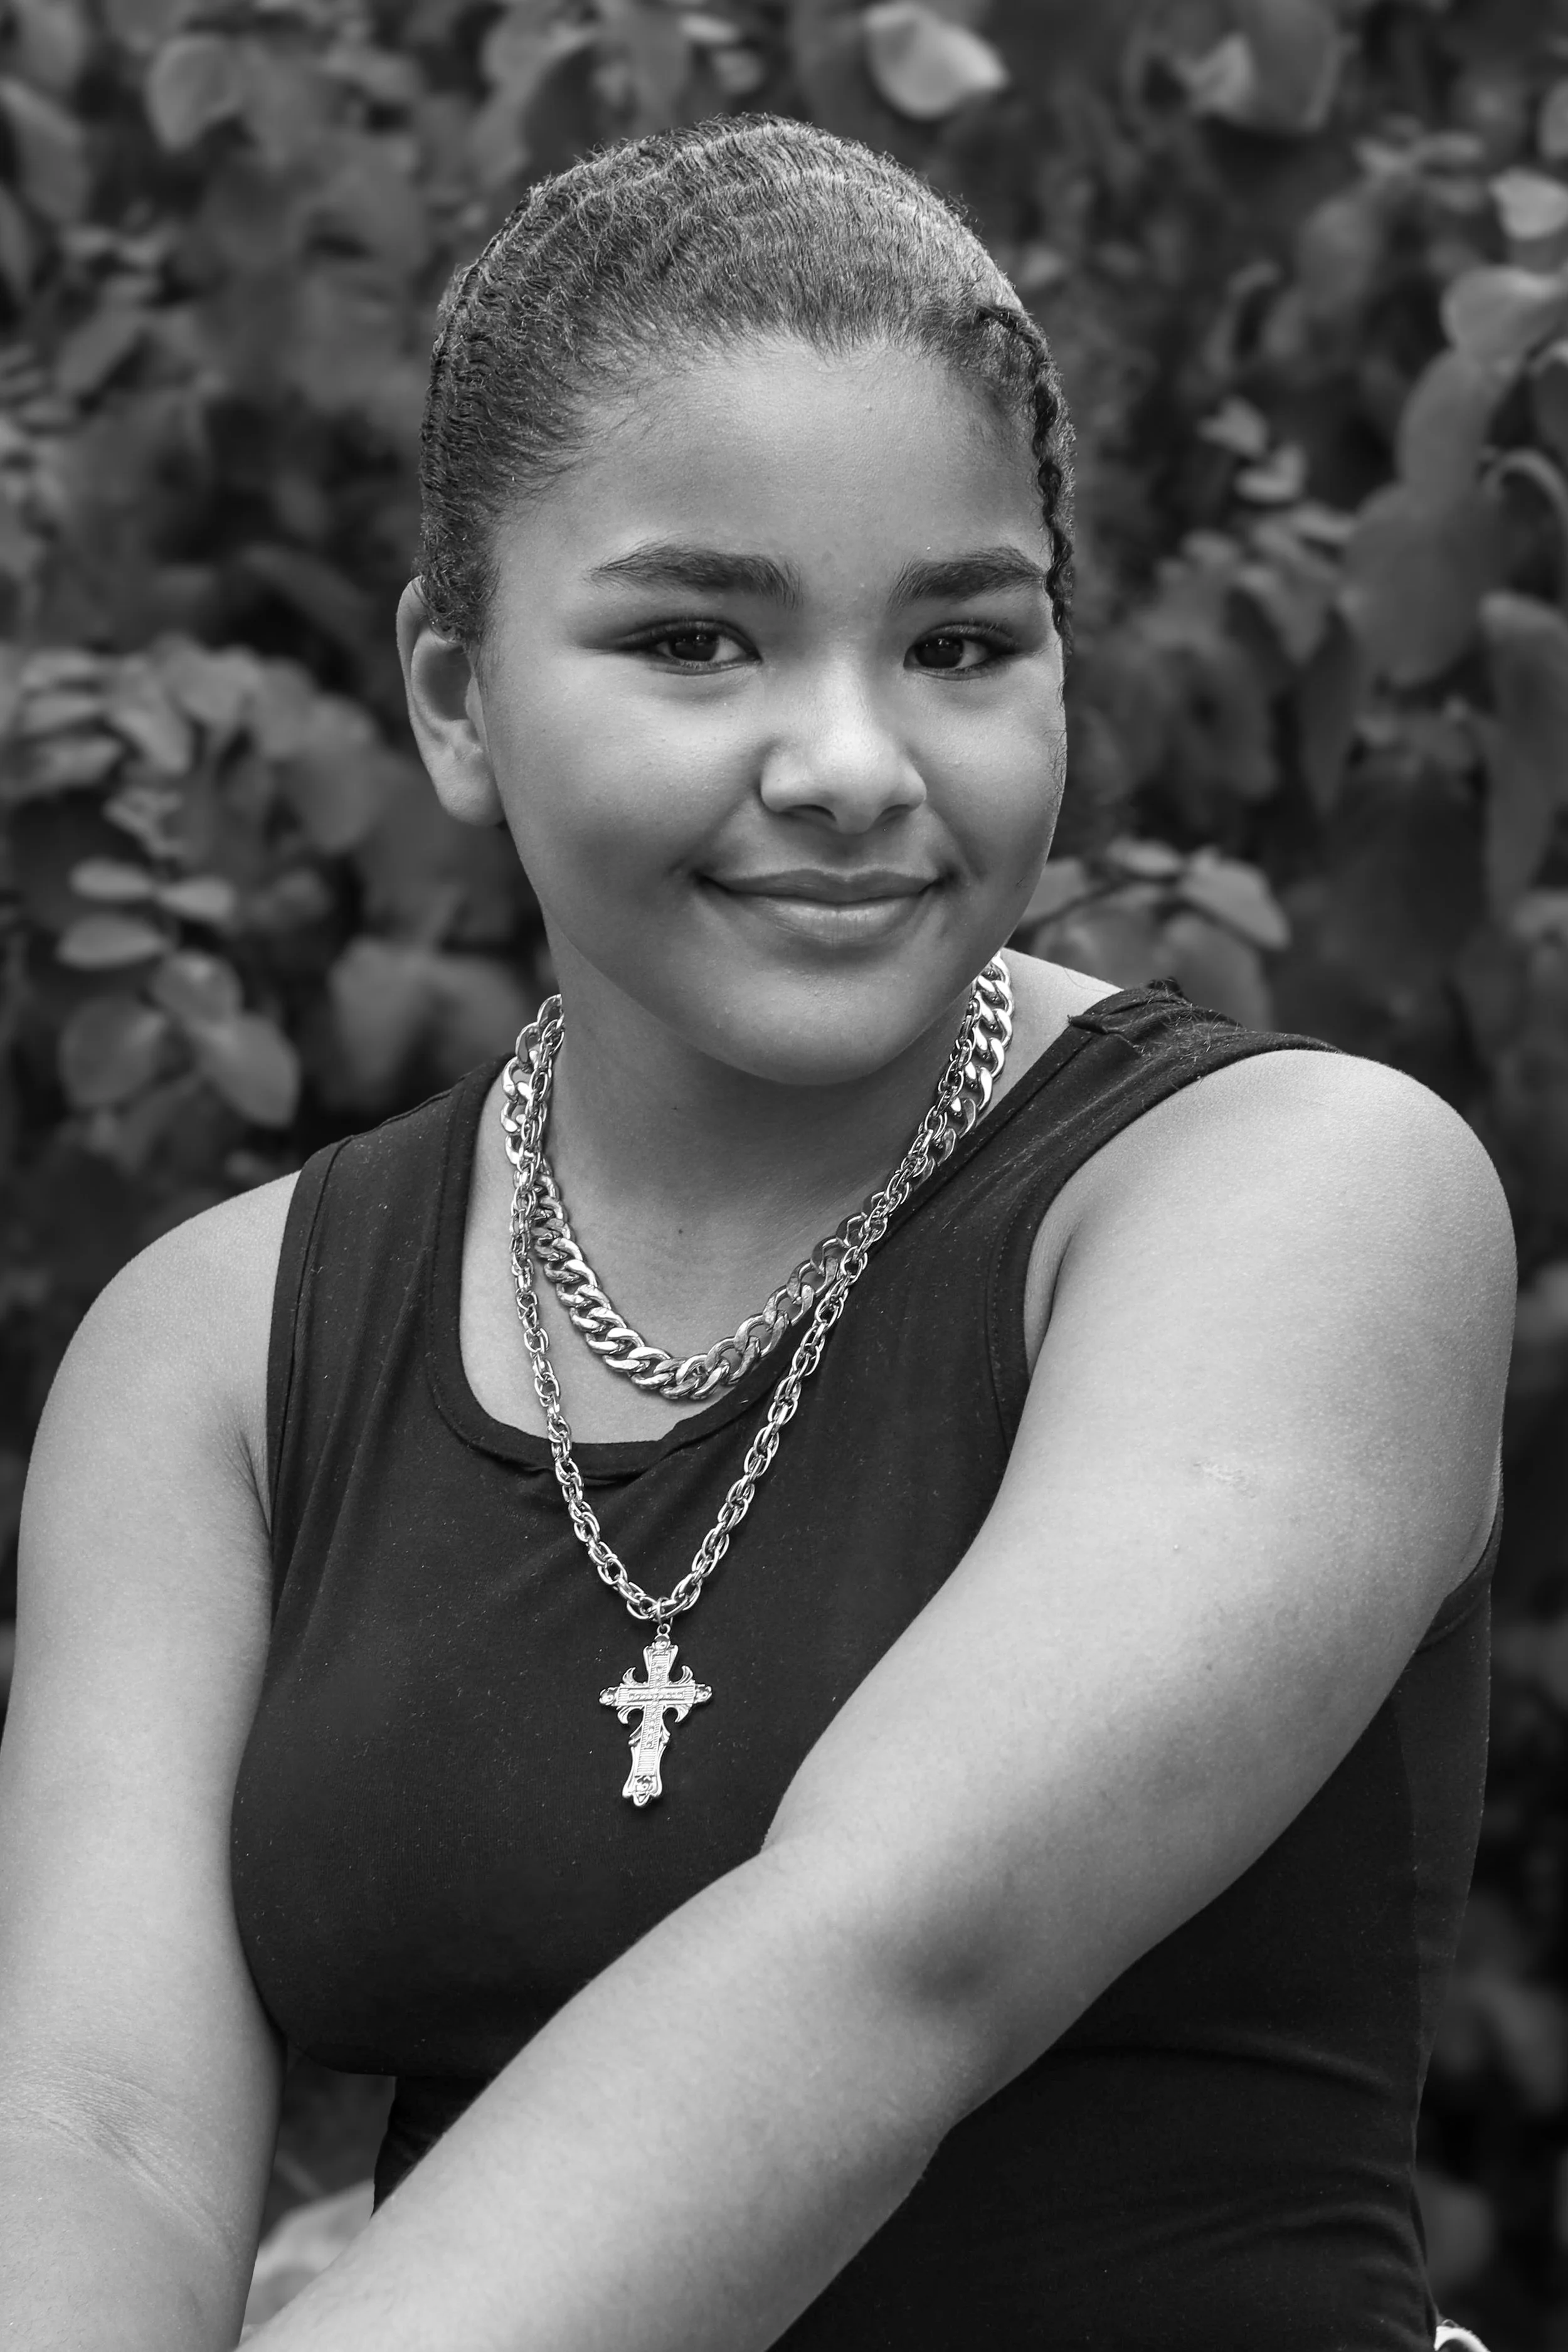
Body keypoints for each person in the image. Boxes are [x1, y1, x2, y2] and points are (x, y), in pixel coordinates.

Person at [0, 115, 1515, 2352]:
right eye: (699, 636)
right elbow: (95, 2129)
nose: (850, 759)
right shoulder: (217, 1348)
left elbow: (883, 1955)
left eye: (962, 641)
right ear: (449, 694)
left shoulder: (1288, 1197)